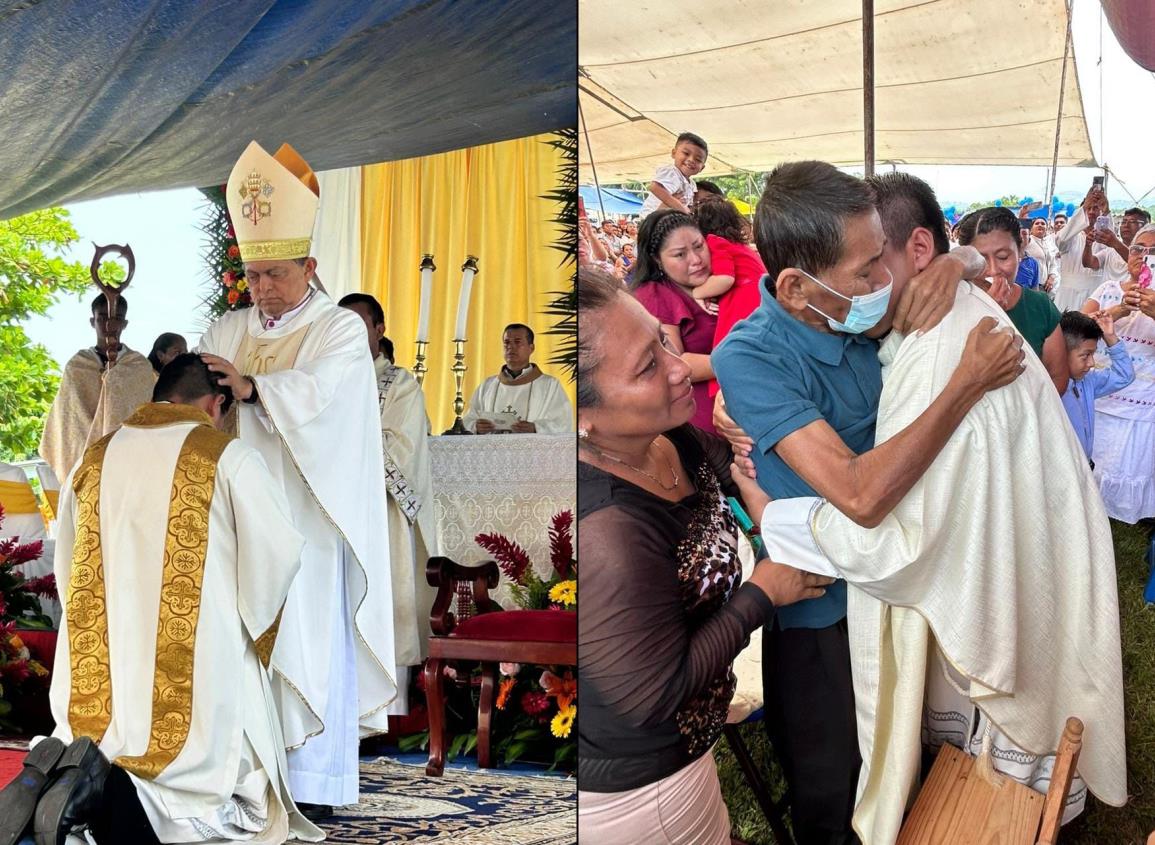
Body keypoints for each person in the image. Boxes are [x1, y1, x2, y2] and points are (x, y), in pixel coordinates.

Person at [724, 171, 1127, 844]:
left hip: (889, 590)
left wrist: (955, 258)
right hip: (819, 597)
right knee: (835, 785)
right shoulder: (753, 354)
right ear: (796, 287)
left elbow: (930, 262)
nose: (882, 283)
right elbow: (857, 492)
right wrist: (965, 383)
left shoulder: (862, 309)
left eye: (885, 254)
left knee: (898, 762)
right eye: (865, 270)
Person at [0, 355, 323, 845]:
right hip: (192, 657)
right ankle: (124, 798)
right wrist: (251, 621)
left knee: (105, 731)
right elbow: (277, 555)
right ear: (216, 404)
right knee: (210, 788)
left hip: (102, 653)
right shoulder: (226, 457)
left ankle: (67, 774)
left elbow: (66, 565)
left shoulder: (95, 458)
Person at [575, 266, 833, 845]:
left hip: (684, 760)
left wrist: (748, 452)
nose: (677, 367)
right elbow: (655, 694)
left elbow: (723, 463)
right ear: (580, 415)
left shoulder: (662, 438)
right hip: (641, 792)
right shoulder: (609, 532)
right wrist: (765, 592)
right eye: (647, 366)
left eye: (663, 340)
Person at [197, 140, 397, 819]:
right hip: (238, 524)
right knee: (239, 647)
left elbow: (326, 398)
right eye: (253, 275)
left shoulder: (337, 329)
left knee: (307, 642)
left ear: (309, 266)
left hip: (311, 522)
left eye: (276, 273)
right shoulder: (225, 327)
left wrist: (254, 387)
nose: (262, 288)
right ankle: (241, 776)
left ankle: (314, 784)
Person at [338, 293, 437, 710]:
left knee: (382, 603)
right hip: (333, 515)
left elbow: (402, 446)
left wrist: (341, 446)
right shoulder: (324, 381)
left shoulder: (400, 385)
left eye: (360, 326)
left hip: (381, 516)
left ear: (379, 330)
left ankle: (388, 710)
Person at [1080, 222, 1155, 523]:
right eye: (1138, 248)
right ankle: (1089, 510)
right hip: (1103, 393)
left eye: (1153, 250)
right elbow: (1077, 328)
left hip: (1143, 401)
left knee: (1130, 463)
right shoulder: (1109, 289)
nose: (1144, 255)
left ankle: (1127, 515)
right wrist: (1121, 310)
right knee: (1095, 460)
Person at [39, 294, 157, 483]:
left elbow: (148, 414)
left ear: (125, 323)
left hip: (130, 460)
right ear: (92, 321)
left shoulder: (139, 366)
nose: (109, 325)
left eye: (116, 318)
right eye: (102, 318)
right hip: (84, 461)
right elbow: (70, 420)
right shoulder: (77, 366)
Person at [956, 207, 1069, 393]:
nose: (993, 270)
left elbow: (1057, 377)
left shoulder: (1039, 306)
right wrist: (988, 311)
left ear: (1020, 251)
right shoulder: (954, 303)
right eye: (980, 260)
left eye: (1003, 257)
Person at [631, 210, 720, 433]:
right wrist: (744, 361)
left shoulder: (719, 281)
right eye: (680, 255)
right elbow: (674, 363)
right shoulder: (655, 296)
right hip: (703, 422)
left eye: (699, 246)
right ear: (657, 260)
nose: (696, 260)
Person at [689, 199, 766, 384]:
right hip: (761, 298)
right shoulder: (740, 245)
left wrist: (696, 293)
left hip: (743, 302)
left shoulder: (714, 241)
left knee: (732, 350)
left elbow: (725, 278)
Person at [461, 324, 573, 434]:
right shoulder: (487, 385)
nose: (511, 347)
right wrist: (476, 426)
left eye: (517, 342)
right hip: (493, 451)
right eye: (507, 342)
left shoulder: (550, 385)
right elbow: (468, 421)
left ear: (531, 348)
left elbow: (563, 423)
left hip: (531, 451)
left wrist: (535, 428)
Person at [1059, 310, 1134, 464]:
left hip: (1084, 468)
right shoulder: (1052, 387)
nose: (1092, 363)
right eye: (1085, 355)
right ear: (1061, 352)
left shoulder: (1088, 381)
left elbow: (1124, 375)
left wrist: (1110, 337)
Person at [1052, 185, 1107, 311]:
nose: (1092, 212)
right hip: (1067, 297)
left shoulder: (1105, 238)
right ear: (1081, 212)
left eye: (1096, 208)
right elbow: (1061, 240)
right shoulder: (1071, 236)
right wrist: (1085, 204)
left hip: (1095, 296)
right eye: (1088, 208)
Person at [639, 132, 708, 218]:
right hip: (649, 219)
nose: (691, 160)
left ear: (702, 168)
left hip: (666, 219)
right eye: (686, 153)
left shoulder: (692, 185)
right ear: (674, 153)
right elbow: (654, 187)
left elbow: (689, 206)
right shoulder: (671, 172)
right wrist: (681, 208)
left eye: (698, 159)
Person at [1083, 206, 1151, 284]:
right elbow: (1089, 263)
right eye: (1124, 222)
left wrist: (1115, 243)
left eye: (1132, 221)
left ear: (1145, 227)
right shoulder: (1110, 250)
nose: (1126, 225)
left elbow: (1142, 266)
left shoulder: (1148, 251)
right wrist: (1088, 245)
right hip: (1108, 294)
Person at [1024, 216, 1060, 293]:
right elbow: (1021, 232)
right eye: (1037, 223)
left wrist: (1052, 277)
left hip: (1046, 287)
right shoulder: (1028, 241)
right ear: (1031, 229)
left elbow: (1053, 264)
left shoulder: (1048, 244)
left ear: (1046, 229)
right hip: (1031, 286)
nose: (1040, 225)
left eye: (1043, 223)